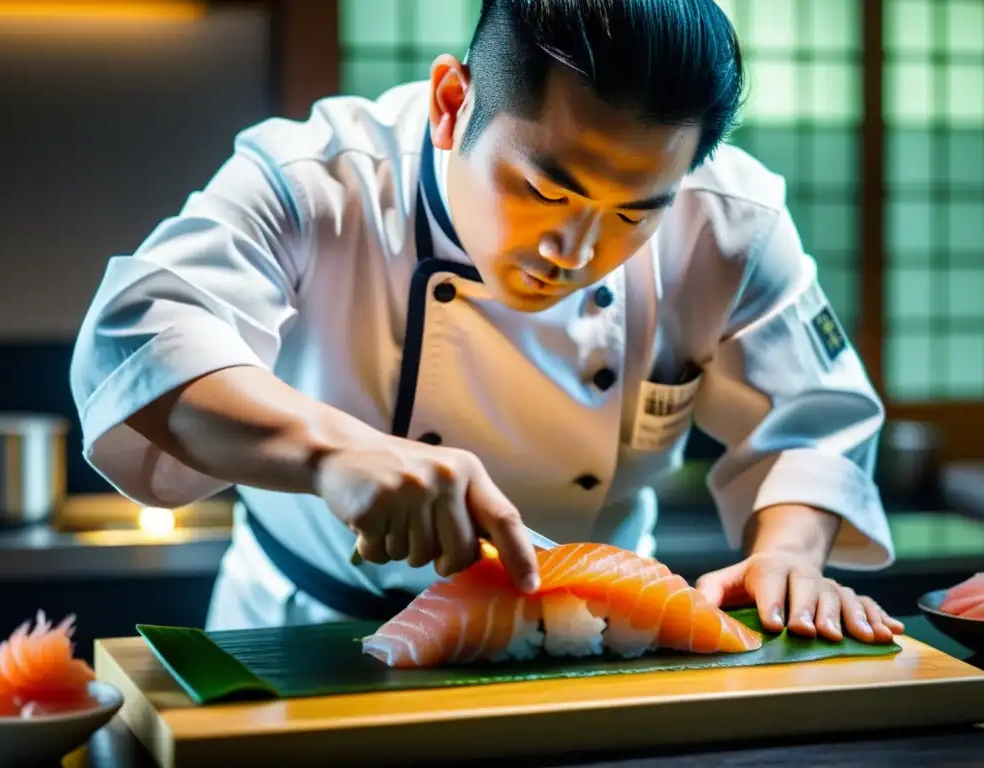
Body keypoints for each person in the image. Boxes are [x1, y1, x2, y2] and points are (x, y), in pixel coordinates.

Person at [70, 0, 904, 644]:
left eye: (634, 215)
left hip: (585, 640)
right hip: (301, 631)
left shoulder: (731, 223)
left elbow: (812, 422)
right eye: (546, 190)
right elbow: (137, 337)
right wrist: (336, 451)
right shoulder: (317, 180)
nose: (577, 249)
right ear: (450, 102)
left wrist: (789, 557)